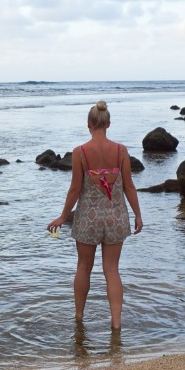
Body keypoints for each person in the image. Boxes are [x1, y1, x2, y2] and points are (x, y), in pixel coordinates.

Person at [47, 101, 143, 330]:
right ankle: (116, 324)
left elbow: (74, 189)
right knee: (112, 270)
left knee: (83, 267)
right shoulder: (121, 151)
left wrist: (62, 217)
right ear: (108, 124)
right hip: (116, 218)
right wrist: (138, 214)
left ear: (88, 124)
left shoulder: (80, 152)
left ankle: (79, 318)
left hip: (87, 219)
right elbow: (129, 186)